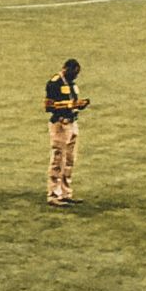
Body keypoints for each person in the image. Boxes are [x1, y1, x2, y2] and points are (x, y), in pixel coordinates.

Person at [44, 59, 90, 207]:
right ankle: (53, 194)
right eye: (73, 73)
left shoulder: (72, 84)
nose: (75, 76)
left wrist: (79, 106)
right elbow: (48, 106)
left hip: (72, 123)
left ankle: (65, 193)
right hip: (60, 124)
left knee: (69, 159)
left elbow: (72, 103)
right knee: (58, 159)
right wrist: (72, 104)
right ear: (66, 69)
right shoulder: (54, 83)